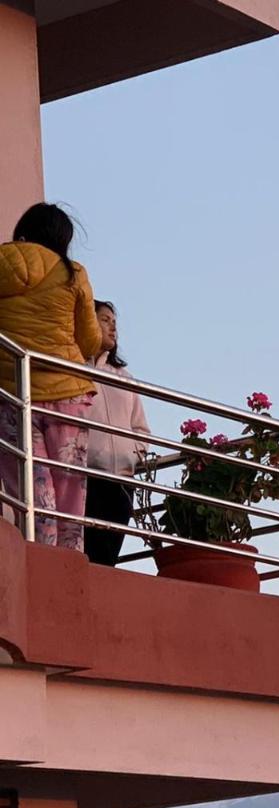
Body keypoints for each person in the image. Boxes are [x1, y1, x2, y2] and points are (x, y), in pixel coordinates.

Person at [0, 202, 101, 551]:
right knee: (69, 487)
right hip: (67, 393)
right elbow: (91, 340)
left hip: (13, 392)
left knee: (30, 487)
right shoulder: (72, 272)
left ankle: (36, 554)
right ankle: (66, 564)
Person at [83, 301, 149, 565]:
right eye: (104, 319)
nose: (112, 327)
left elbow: (141, 428)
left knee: (108, 558)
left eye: (114, 321)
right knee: (87, 553)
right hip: (87, 475)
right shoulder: (74, 370)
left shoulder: (125, 378)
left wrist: (131, 457)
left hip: (121, 480)